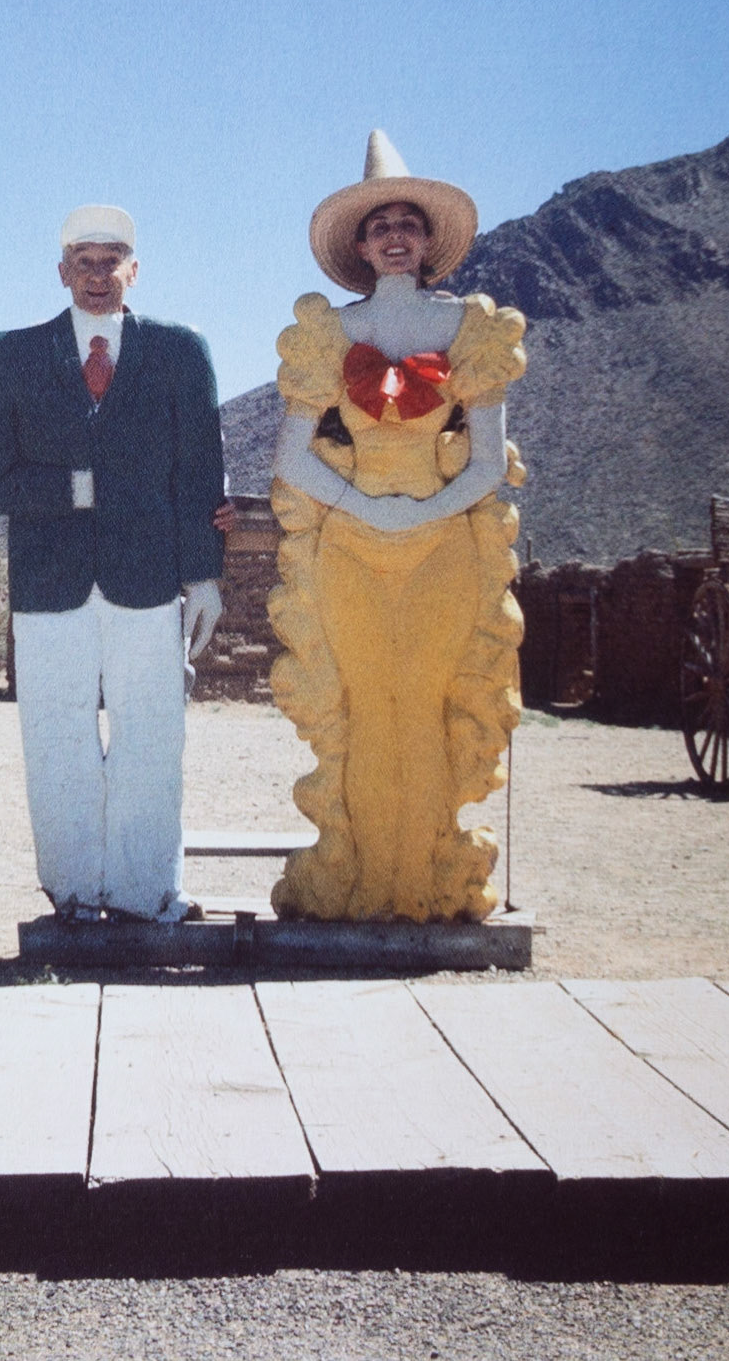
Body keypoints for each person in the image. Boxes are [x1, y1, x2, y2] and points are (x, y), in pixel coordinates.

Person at [269, 132, 527, 923]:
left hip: (443, 545)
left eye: (407, 224)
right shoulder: (328, 333)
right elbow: (293, 455)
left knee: (425, 697)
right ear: (360, 243)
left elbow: (487, 462)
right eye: (379, 225)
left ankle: (431, 875)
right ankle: (353, 873)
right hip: (350, 544)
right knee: (361, 701)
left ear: (427, 241)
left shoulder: (468, 331)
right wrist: (369, 508)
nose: (393, 236)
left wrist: (421, 510)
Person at [0, 204, 227, 924]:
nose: (99, 274)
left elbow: (202, 471)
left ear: (134, 270)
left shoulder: (181, 352)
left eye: (113, 261)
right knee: (55, 734)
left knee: (152, 732)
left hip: (148, 577)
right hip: (50, 584)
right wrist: (84, 487)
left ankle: (147, 893)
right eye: (85, 261)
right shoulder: (5, 357)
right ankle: (75, 893)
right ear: (61, 273)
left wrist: (203, 574)